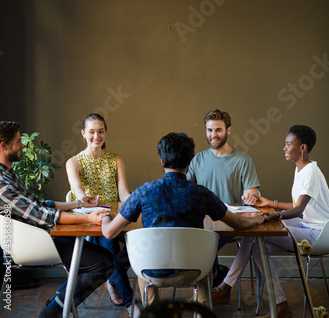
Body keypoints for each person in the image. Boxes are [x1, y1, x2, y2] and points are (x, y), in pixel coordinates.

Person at [100, 132, 265, 308]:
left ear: (162, 161)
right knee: (205, 270)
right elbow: (239, 224)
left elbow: (109, 232)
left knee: (145, 269)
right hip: (194, 271)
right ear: (189, 162)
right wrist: (257, 219)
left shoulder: (144, 192)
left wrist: (105, 216)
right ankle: (202, 310)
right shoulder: (202, 193)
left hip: (151, 272)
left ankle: (151, 310)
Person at [0, 120, 113, 318]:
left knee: (107, 259)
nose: (23, 145)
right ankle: (52, 311)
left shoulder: (7, 174)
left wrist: (79, 204)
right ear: (3, 146)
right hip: (33, 245)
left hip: (43, 238)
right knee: (102, 264)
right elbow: (41, 214)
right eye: (18, 142)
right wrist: (90, 219)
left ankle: (55, 307)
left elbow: (40, 204)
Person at [214, 125, 329, 318]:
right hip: (305, 226)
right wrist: (271, 203)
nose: (284, 148)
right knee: (257, 243)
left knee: (255, 236)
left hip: (317, 233)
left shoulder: (311, 172)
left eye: (288, 144)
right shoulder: (301, 170)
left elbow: (299, 209)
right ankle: (281, 306)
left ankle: (226, 287)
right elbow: (297, 205)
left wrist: (275, 215)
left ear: (302, 147)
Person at [66, 113, 140, 318]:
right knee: (110, 246)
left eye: (100, 131)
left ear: (106, 132)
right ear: (83, 133)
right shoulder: (74, 161)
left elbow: (124, 193)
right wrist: (86, 200)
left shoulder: (116, 159)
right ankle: (130, 302)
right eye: (91, 132)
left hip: (116, 218)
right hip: (91, 217)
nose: (96, 136)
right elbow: (77, 191)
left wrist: (138, 200)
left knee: (131, 244)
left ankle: (112, 280)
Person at [186, 108, 261, 288]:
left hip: (230, 222)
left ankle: (212, 286)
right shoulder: (198, 159)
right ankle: (216, 280)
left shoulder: (243, 159)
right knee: (196, 243)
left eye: (218, 130)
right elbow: (185, 190)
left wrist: (252, 197)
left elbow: (253, 192)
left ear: (228, 130)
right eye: (210, 130)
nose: (213, 135)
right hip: (202, 223)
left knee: (203, 246)